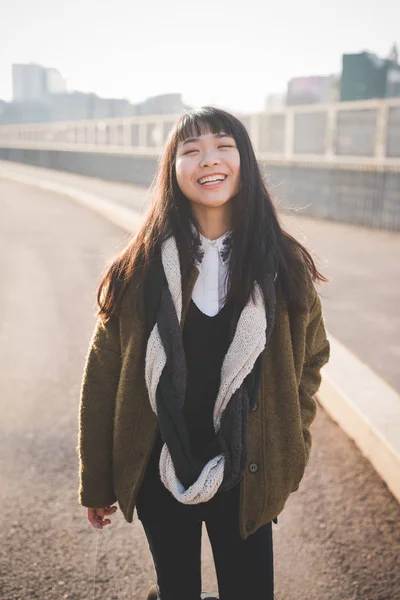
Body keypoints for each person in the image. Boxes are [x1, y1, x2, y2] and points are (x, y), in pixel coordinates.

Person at [78, 106, 330, 600]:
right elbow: (104, 373)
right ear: (172, 171)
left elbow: (311, 359)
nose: (208, 160)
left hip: (247, 468)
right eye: (190, 151)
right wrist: (98, 479)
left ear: (245, 161)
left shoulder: (282, 263)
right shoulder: (140, 266)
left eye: (222, 146)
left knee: (251, 590)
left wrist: (291, 441)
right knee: (177, 590)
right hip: (159, 464)